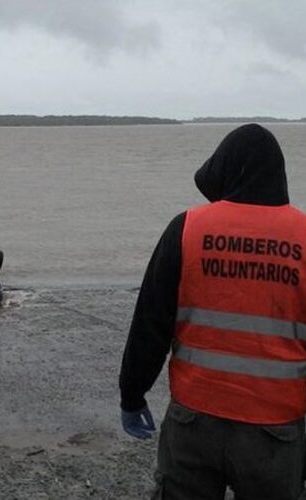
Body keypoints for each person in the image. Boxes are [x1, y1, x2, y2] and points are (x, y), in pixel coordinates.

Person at [119, 124, 306, 499]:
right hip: (275, 428)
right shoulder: (302, 235)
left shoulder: (187, 229)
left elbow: (150, 323)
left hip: (194, 420)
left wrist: (132, 394)